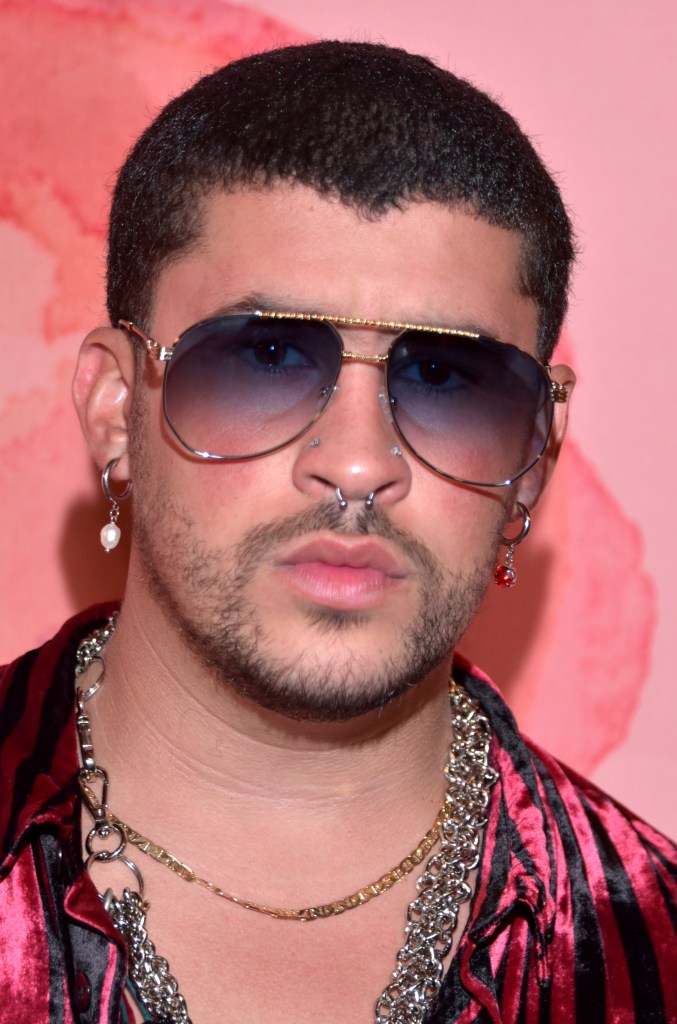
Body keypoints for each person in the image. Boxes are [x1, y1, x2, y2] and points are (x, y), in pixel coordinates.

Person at [0, 39, 674, 1024]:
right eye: (266, 357)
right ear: (115, 407)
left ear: (533, 452)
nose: (357, 464)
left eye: (443, 377)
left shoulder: (649, 942)